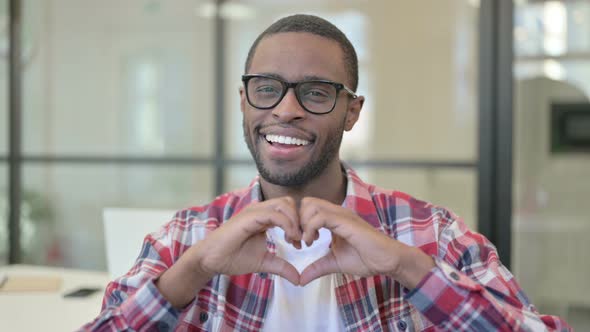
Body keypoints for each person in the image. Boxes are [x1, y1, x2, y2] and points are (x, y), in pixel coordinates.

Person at [82, 14, 571, 331]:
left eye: (315, 92)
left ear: (351, 112)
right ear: (244, 101)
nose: (286, 110)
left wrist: (409, 268)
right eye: (266, 88)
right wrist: (191, 273)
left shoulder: (432, 235)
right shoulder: (186, 237)